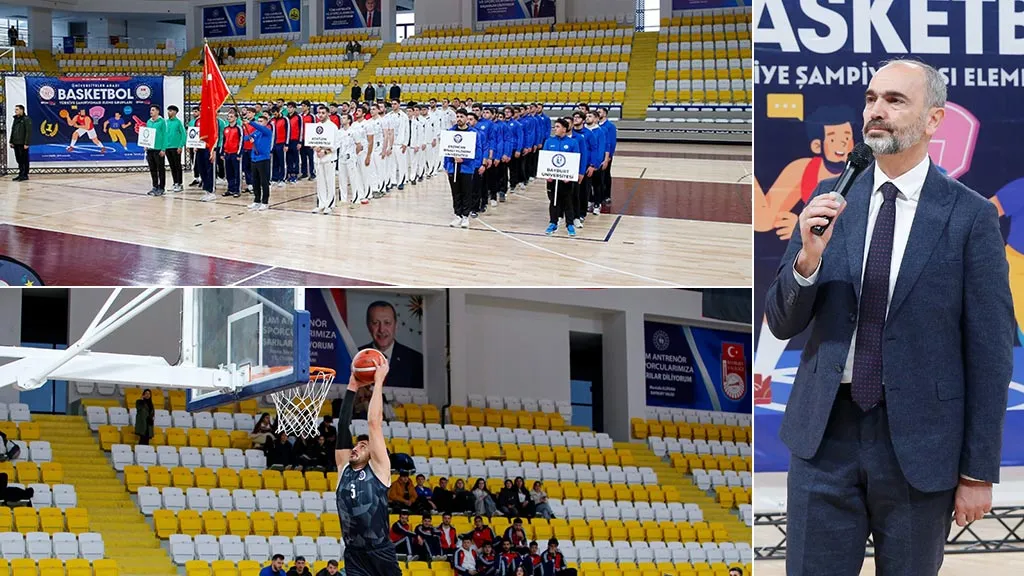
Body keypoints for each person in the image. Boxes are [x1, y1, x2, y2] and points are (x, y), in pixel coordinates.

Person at [765, 59, 1012, 575]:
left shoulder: (969, 217)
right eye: (871, 98)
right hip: (823, 439)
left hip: (921, 448)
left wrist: (978, 471)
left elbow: (989, 353)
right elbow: (781, 322)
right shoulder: (830, 201)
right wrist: (807, 259)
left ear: (934, 120)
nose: (876, 111)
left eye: (895, 101)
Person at [333, 349, 399, 576]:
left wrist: (378, 382)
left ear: (373, 453)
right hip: (354, 554)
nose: (355, 447)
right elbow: (342, 427)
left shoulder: (379, 469)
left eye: (363, 446)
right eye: (355, 445)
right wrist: (352, 387)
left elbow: (373, 423)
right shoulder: (344, 469)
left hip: (380, 552)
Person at [359, 301, 424, 389]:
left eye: (387, 323)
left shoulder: (415, 360)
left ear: (396, 325)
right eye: (375, 323)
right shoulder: (356, 357)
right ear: (368, 325)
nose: (381, 330)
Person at [542, 118, 582, 237]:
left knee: (568, 201)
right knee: (553, 201)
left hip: (566, 180)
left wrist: (570, 176)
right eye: (555, 127)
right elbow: (545, 159)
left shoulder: (572, 143)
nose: (555, 129)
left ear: (564, 129)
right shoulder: (549, 142)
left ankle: (569, 224)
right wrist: (546, 175)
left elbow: (575, 160)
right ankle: (553, 222)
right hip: (552, 179)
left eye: (558, 127)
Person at [445, 108, 483, 228]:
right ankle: (458, 215)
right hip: (453, 167)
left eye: (462, 116)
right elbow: (446, 149)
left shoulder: (473, 133)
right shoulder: (450, 132)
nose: (459, 119)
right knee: (455, 192)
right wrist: (446, 165)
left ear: (466, 118)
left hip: (467, 167)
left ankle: (465, 216)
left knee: (466, 192)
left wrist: (465, 160)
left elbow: (477, 151)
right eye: (457, 116)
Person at [243, 112, 273, 211]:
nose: (259, 123)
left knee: (264, 181)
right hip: (254, 158)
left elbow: (260, 128)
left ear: (266, 122)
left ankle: (265, 202)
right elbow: (246, 138)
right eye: (258, 121)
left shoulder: (267, 131)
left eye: (261, 121)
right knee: (255, 181)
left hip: (263, 159)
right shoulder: (256, 132)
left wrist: (250, 122)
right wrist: (247, 137)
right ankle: (256, 200)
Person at [337, 112, 368, 207]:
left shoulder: (354, 131)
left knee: (353, 179)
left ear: (349, 120)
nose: (342, 119)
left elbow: (359, 145)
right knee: (342, 179)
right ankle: (343, 199)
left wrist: (353, 155)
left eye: (344, 118)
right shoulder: (339, 132)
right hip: (341, 158)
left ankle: (356, 199)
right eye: (341, 118)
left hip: (351, 159)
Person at [312, 105, 338, 214]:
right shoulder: (315, 126)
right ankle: (321, 204)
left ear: (327, 113)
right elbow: (311, 141)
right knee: (320, 183)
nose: (321, 115)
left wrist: (325, 151)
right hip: (317, 159)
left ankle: (330, 205)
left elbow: (336, 144)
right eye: (319, 113)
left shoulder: (333, 127)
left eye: (323, 113)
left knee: (329, 182)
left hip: (329, 158)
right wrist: (315, 147)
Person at [583, 110, 606, 218]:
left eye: (590, 116)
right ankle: (588, 201)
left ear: (596, 119)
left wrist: (596, 164)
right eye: (586, 116)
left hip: (595, 164)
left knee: (597, 185)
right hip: (585, 163)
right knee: (586, 186)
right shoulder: (582, 131)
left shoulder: (599, 131)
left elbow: (600, 148)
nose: (587, 118)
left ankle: (597, 204)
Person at [595, 107, 616, 212]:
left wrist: (610, 155)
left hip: (606, 155)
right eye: (597, 111)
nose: (598, 113)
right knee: (599, 177)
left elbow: (612, 141)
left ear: (605, 114)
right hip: (598, 154)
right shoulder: (597, 126)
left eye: (600, 111)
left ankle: (607, 195)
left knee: (606, 175)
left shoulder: (610, 126)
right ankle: (598, 196)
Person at [221, 109, 244, 198]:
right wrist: (222, 152)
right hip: (227, 154)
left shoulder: (239, 128)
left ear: (236, 118)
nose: (229, 118)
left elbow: (241, 141)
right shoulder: (226, 129)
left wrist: (239, 153)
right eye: (228, 116)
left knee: (237, 172)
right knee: (229, 172)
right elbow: (223, 141)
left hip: (235, 154)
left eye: (231, 116)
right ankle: (230, 189)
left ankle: (237, 190)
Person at [164, 105, 186, 192]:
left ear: (174, 112)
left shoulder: (178, 122)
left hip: (176, 147)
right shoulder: (166, 122)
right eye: (168, 110)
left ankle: (179, 184)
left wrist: (180, 146)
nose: (168, 112)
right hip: (167, 147)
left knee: (177, 166)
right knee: (172, 166)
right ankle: (175, 183)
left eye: (170, 111)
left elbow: (183, 135)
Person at [9, 105, 30, 182]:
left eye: (17, 109)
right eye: (15, 110)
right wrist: (11, 141)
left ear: (22, 110)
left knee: (24, 159)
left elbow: (28, 132)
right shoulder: (15, 119)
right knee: (19, 159)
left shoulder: (26, 119)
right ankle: (21, 173)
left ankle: (25, 174)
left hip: (23, 143)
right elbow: (13, 130)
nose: (15, 111)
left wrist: (26, 143)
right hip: (16, 142)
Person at [270, 107, 290, 188]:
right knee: (274, 162)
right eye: (273, 114)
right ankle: (274, 178)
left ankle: (282, 179)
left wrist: (286, 144)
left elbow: (288, 131)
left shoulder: (285, 119)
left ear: (279, 111)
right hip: (274, 144)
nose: (274, 115)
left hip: (282, 143)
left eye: (275, 113)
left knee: (282, 162)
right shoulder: (272, 120)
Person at [299, 101, 317, 181]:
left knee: (311, 158)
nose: (302, 107)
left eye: (304, 106)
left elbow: (314, 128)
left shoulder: (312, 116)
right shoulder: (300, 116)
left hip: (309, 140)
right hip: (302, 139)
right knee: (303, 157)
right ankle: (304, 173)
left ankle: (312, 173)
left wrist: (313, 141)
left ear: (308, 107)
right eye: (302, 106)